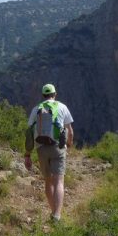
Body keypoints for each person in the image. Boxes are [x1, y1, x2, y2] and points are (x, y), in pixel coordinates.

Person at [24, 83, 74, 222]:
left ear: (43, 95)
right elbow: (70, 130)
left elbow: (29, 133)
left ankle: (53, 212)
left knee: (48, 181)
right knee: (59, 181)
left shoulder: (36, 109)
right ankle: (57, 215)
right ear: (55, 94)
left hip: (41, 148)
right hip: (58, 147)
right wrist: (68, 145)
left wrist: (28, 154)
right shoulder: (62, 107)